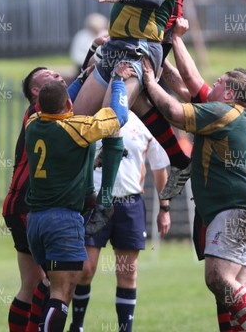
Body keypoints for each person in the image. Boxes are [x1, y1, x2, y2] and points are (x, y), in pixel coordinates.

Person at [141, 22, 246, 332]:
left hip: (237, 210)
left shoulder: (220, 112)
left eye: (220, 80)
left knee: (218, 278)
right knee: (229, 291)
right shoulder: (226, 110)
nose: (211, 82)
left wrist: (148, 79)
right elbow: (188, 78)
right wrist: (170, 44)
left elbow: (173, 111)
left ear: (229, 92)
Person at [72, 0, 195, 202]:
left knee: (139, 103)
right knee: (143, 103)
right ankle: (179, 159)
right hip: (137, 34)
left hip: (152, 32)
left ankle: (105, 186)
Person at [25, 68, 129, 332]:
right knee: (62, 292)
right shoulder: (77, 129)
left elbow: (57, 102)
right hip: (62, 221)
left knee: (51, 286)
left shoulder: (32, 123)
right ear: (69, 105)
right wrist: (117, 80)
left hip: (36, 221)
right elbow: (118, 116)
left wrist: (82, 78)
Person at [68, 110, 171, 332]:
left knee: (127, 272)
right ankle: (77, 326)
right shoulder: (93, 116)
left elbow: (159, 167)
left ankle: (126, 329)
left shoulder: (145, 123)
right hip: (95, 202)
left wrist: (164, 207)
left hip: (130, 204)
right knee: (85, 268)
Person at [3, 67, 67, 332]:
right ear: (35, 91)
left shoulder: (38, 113)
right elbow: (69, 98)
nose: (57, 75)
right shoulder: (39, 111)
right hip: (28, 207)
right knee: (56, 282)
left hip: (17, 207)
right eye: (50, 75)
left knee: (31, 284)